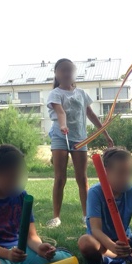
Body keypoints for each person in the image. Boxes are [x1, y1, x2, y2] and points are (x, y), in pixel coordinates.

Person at [46, 58, 114, 228]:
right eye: (62, 70)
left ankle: (87, 216)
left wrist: (105, 134)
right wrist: (62, 126)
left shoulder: (82, 94)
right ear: (56, 73)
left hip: (80, 138)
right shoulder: (55, 93)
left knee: (82, 179)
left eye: (69, 70)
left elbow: (91, 115)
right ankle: (56, 217)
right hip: (60, 136)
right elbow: (60, 112)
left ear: (73, 73)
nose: (66, 73)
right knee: (60, 178)